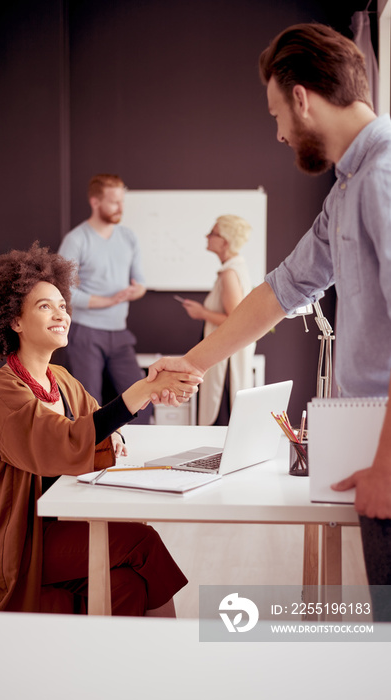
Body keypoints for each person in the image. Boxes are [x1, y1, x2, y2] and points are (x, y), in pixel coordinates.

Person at [147, 23, 391, 617]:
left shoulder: (383, 176)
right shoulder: (348, 189)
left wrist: (386, 464)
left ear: (303, 98)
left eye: (276, 113)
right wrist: (192, 362)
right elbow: (279, 291)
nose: (279, 133)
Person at [0, 242, 198, 615]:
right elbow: (62, 440)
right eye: (45, 306)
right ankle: (174, 652)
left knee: (127, 584)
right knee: (141, 540)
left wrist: (116, 432)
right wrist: (143, 389)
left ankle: (123, 664)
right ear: (15, 320)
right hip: (21, 540)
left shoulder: (60, 378)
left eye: (62, 305)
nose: (61, 314)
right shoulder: (1, 390)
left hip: (59, 522)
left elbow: (98, 422)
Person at [58, 173, 152, 423]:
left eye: (122, 201)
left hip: (119, 332)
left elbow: (140, 282)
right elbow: (63, 291)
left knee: (143, 401)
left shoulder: (129, 237)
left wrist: (136, 290)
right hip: (86, 332)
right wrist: (108, 301)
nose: (120, 208)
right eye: (113, 202)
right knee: (88, 404)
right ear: (95, 202)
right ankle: (91, 458)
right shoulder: (76, 239)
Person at [179, 215, 255, 425]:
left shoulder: (229, 273)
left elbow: (235, 319)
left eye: (212, 233)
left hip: (225, 363)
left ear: (225, 242)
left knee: (221, 419)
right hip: (226, 357)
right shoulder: (234, 268)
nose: (207, 236)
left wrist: (202, 313)